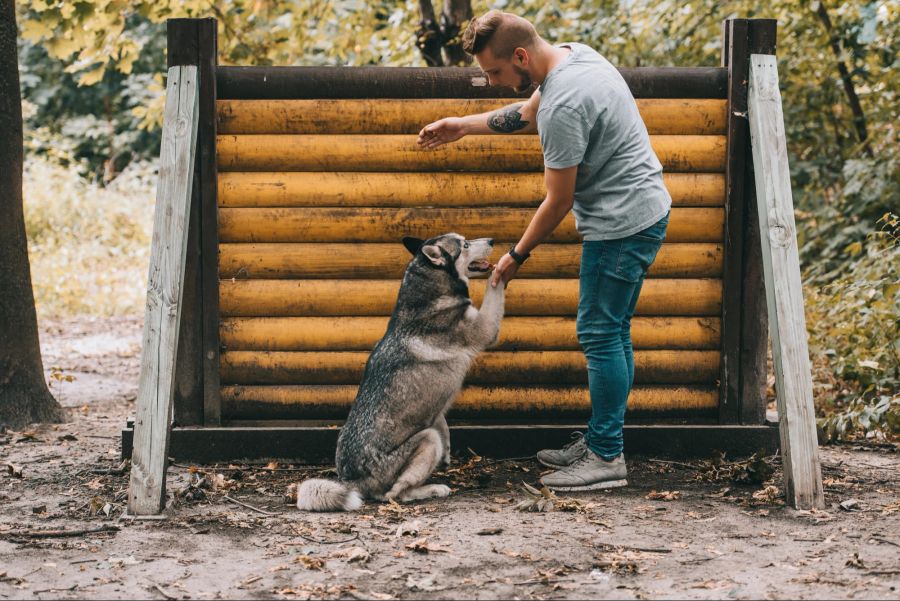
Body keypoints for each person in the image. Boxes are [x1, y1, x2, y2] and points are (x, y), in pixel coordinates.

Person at [417, 10, 671, 491]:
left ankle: (606, 457)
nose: (493, 83)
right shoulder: (573, 58)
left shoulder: (566, 105)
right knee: (612, 331)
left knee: (599, 333)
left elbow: (559, 200)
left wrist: (516, 255)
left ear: (519, 55)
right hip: (641, 210)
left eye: (495, 73)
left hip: (623, 226)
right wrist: (462, 125)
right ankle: (603, 439)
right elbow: (525, 114)